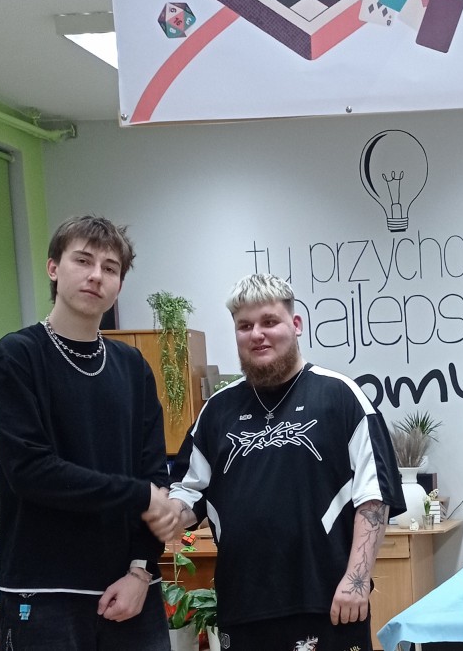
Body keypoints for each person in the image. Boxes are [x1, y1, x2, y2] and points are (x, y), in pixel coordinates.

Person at [166, 273, 404, 651]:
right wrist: (156, 513)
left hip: (329, 604)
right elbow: (187, 493)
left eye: (269, 321)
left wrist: (356, 581)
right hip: (244, 609)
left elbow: (373, 497)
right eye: (245, 326)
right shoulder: (217, 411)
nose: (257, 334)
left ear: (295, 325)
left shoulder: (341, 397)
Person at [0, 215, 177, 650]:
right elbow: (31, 471)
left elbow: (154, 473)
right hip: (43, 593)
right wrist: (140, 495)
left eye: (110, 268)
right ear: (54, 268)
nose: (96, 275)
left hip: (131, 593)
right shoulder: (17, 356)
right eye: (83, 260)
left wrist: (141, 570)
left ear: (119, 284)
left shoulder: (133, 367)